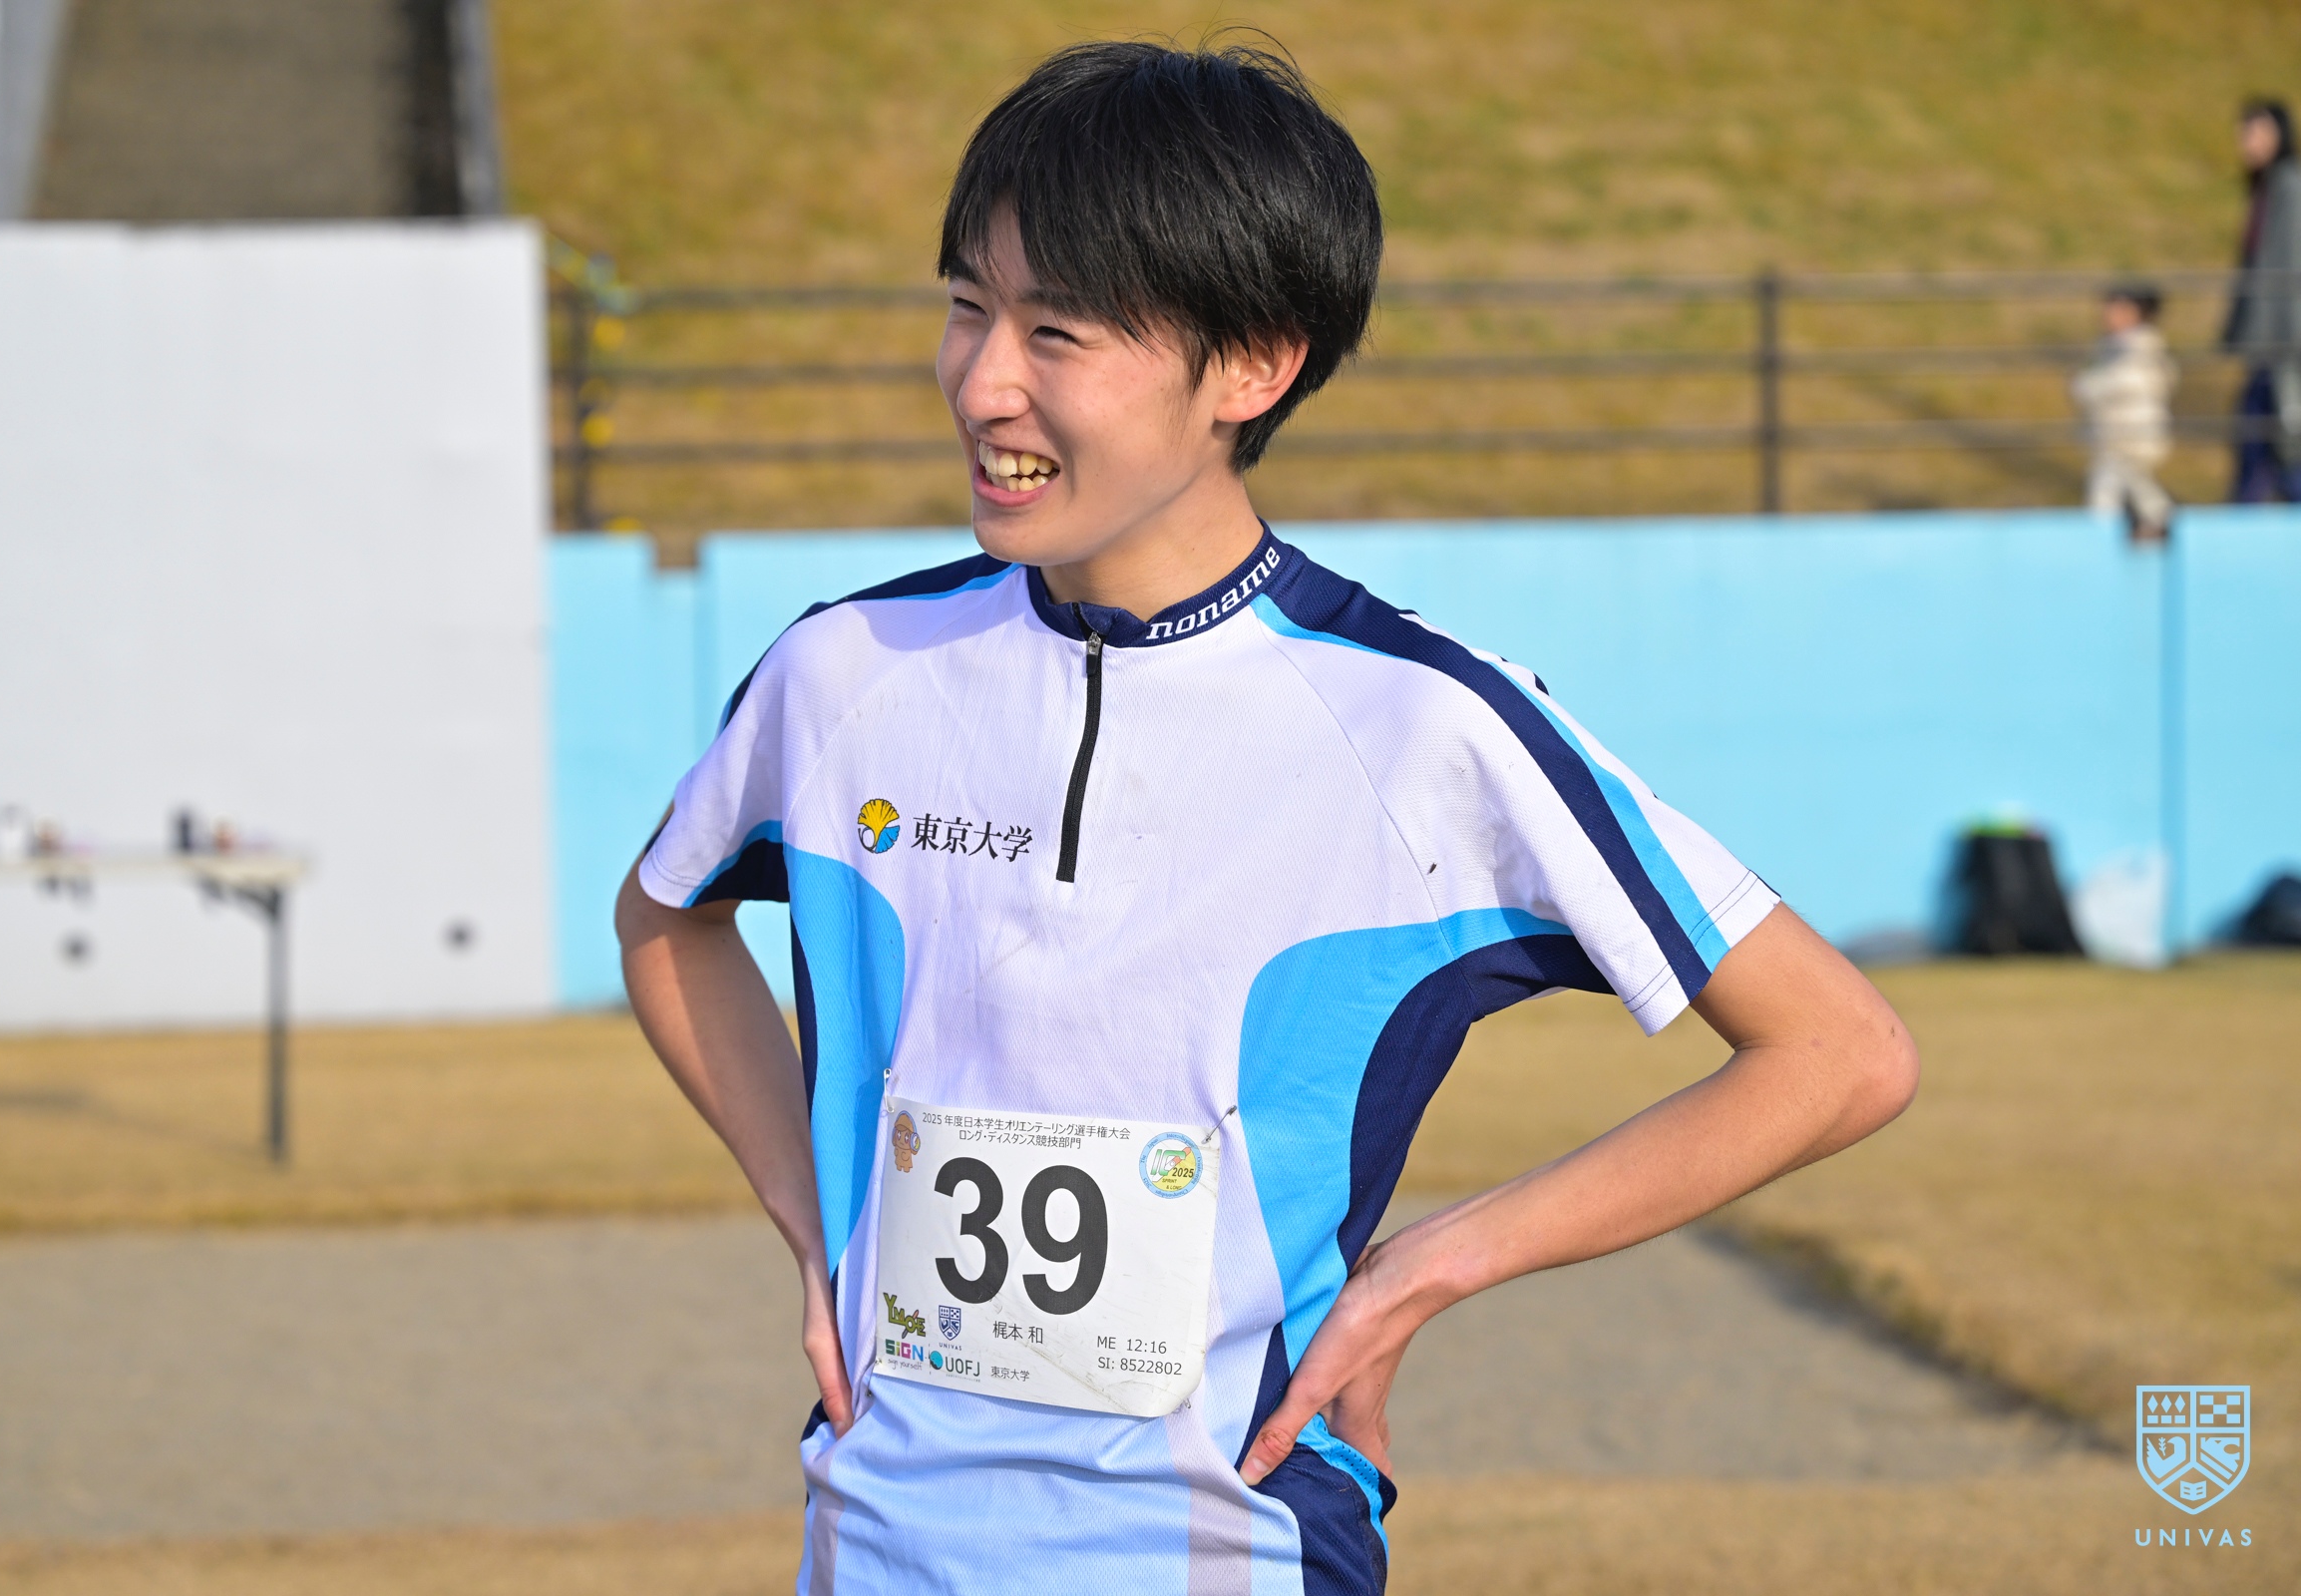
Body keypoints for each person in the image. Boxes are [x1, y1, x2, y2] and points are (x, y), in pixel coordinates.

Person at [614, 40, 1918, 1594]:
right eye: (967, 306)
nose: (983, 381)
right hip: (875, 1545)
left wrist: (1433, 1265)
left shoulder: (1420, 723)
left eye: (1057, 331)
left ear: (1252, 367)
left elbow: (1839, 1052)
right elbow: (665, 913)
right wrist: (809, 1212)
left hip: (1235, 1552)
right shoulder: (845, 672)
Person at [2222, 97, 2301, 502]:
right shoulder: (2268, 187)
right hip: (2273, 344)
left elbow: (2284, 270)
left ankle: (2245, 514)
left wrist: (2279, 341)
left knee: (2270, 434)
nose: (2247, 141)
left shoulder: (2288, 186)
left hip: (2283, 344)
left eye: (2257, 131)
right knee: (2266, 436)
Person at [2072, 283, 2176, 541]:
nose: (2108, 315)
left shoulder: (2140, 348)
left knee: (2111, 489)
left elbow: (2126, 383)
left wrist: (2089, 386)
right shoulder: (2112, 347)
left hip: (2133, 436)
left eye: (2118, 309)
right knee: (2117, 486)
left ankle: (2156, 526)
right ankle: (2150, 527)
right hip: (2114, 437)